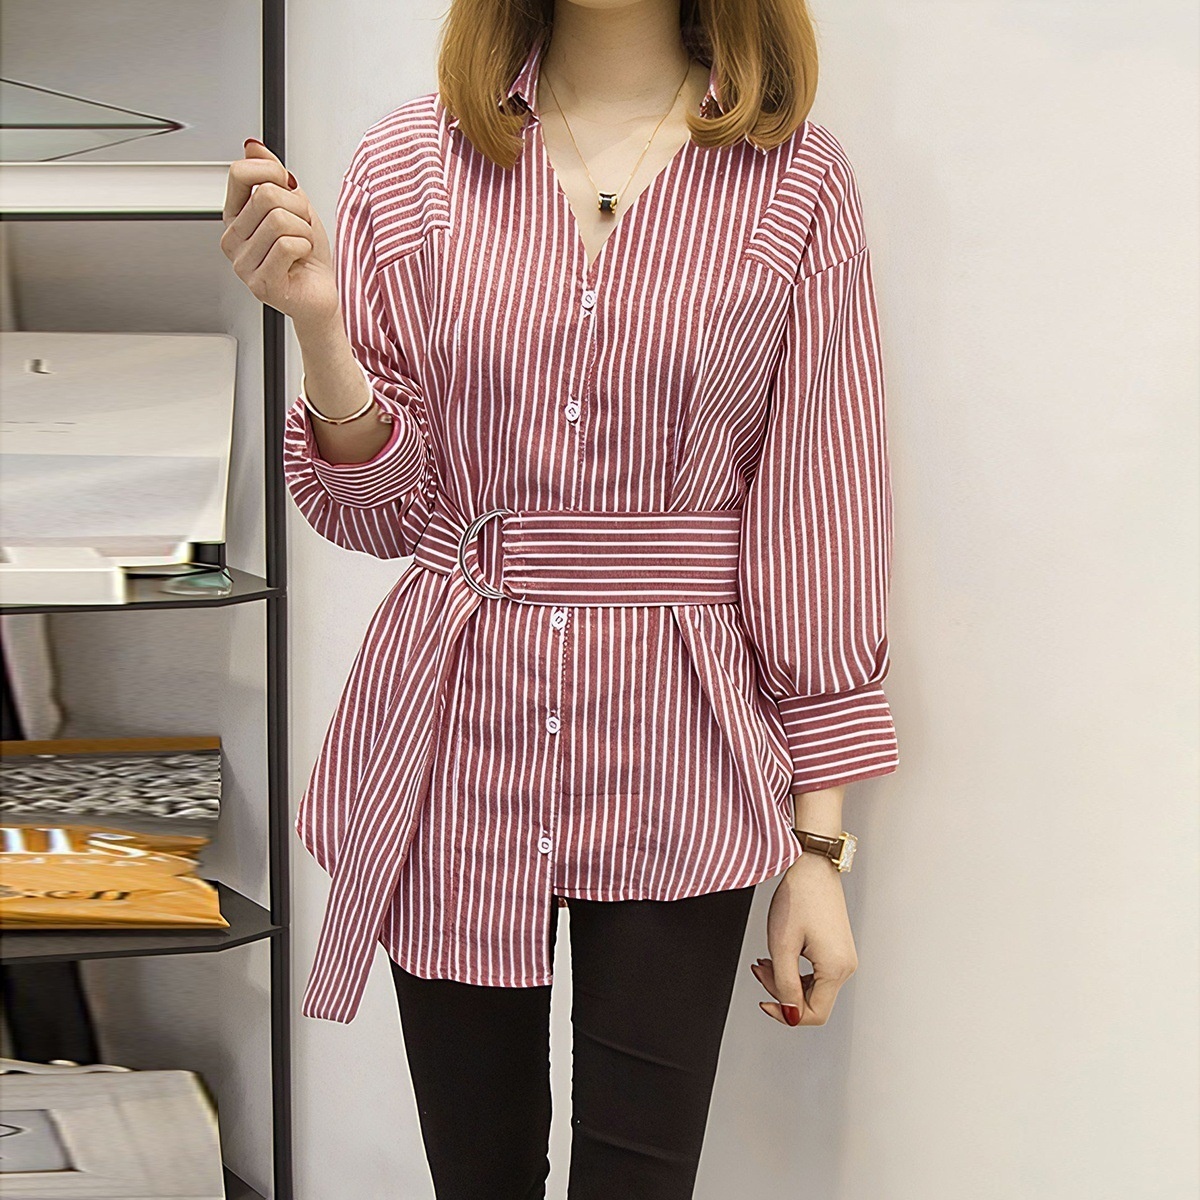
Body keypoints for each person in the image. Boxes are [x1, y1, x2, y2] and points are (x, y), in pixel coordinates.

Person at [221, 0, 899, 1194]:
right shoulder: (409, 163)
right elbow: (377, 517)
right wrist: (321, 330)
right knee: (478, 1179)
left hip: (682, 743)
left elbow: (819, 513)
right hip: (452, 740)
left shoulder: (797, 179)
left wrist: (818, 849)